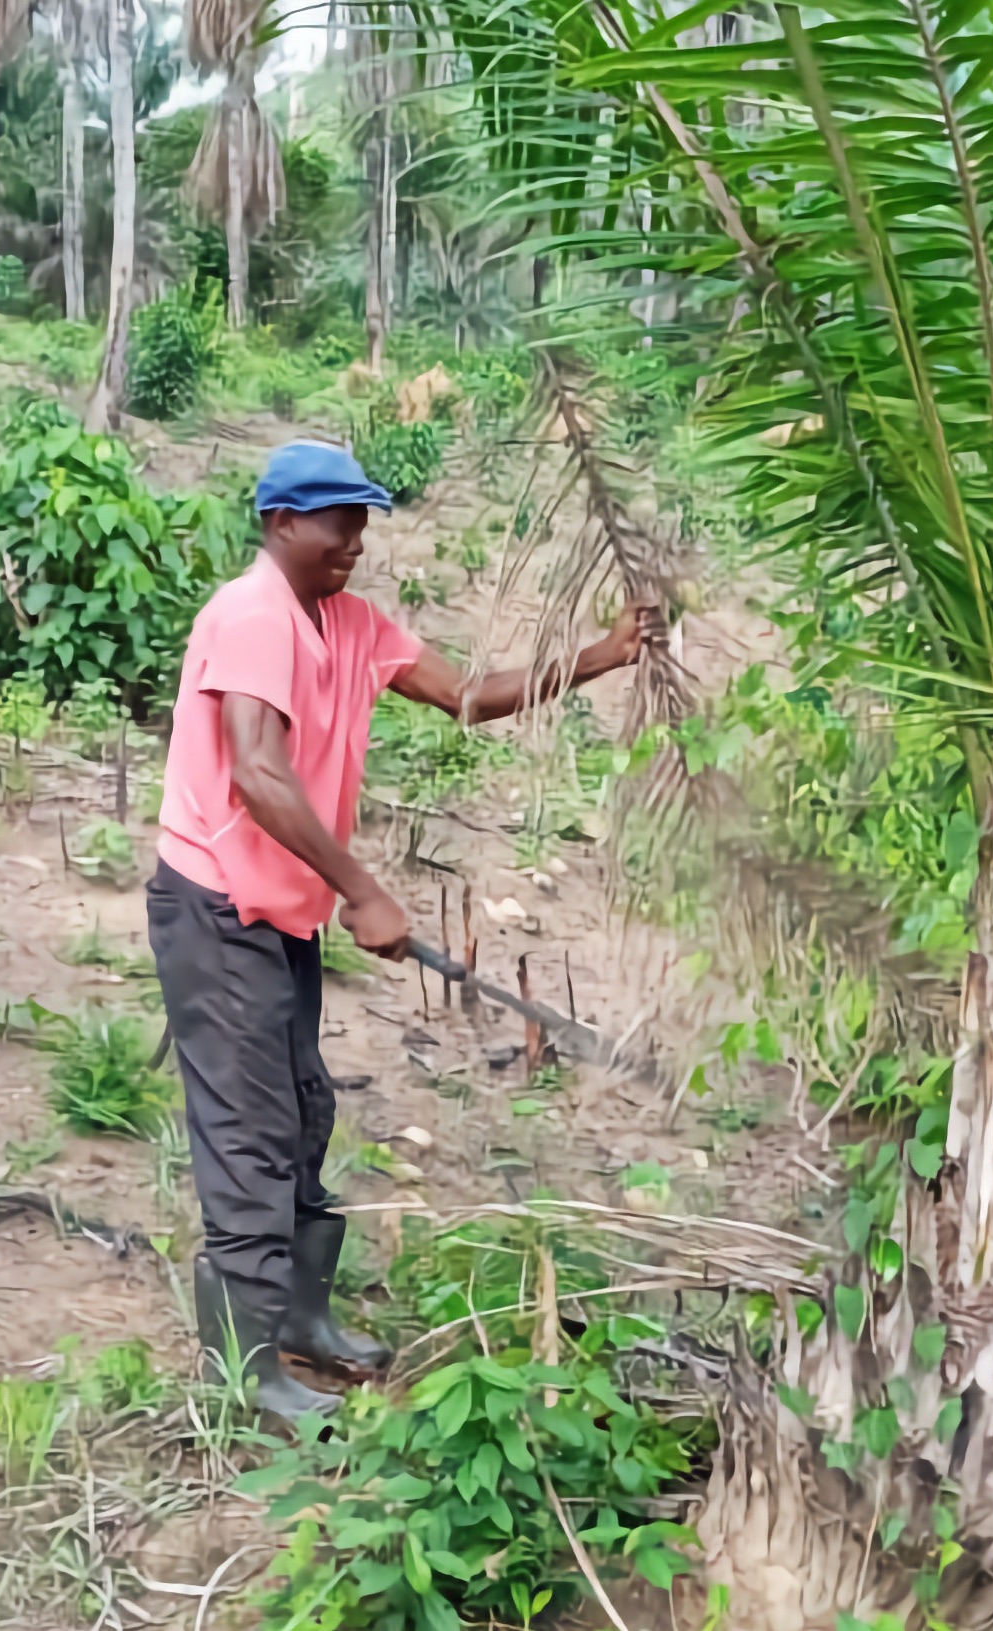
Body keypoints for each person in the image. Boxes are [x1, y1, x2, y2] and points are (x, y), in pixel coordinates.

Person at [148, 440, 659, 1421]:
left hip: (278, 911)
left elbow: (466, 695)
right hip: (217, 910)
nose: (357, 538)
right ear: (281, 522)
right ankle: (246, 1377)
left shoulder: (349, 622)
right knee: (249, 1133)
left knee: (301, 1109)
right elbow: (257, 772)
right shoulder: (250, 615)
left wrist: (603, 653)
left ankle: (300, 1321)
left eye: (364, 519)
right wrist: (363, 887)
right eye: (339, 519)